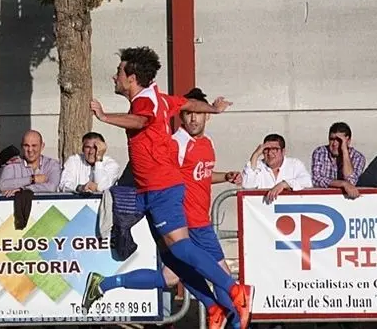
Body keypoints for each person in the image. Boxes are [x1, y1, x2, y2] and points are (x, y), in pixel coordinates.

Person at [82, 47, 253, 329]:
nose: (115, 76)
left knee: (181, 250)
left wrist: (104, 116)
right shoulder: (159, 98)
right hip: (150, 192)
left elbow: (141, 120)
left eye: (119, 72)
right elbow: (187, 103)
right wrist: (212, 108)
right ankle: (214, 306)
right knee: (173, 262)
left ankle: (235, 291)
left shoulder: (145, 103)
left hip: (162, 188)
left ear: (131, 77)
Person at [160, 88, 243, 329]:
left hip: (198, 219)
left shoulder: (207, 143)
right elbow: (164, 177)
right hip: (189, 222)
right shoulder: (177, 142)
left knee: (172, 276)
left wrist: (225, 176)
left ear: (208, 115)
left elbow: (201, 176)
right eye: (188, 113)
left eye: (197, 113)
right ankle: (233, 322)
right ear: (181, 116)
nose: (193, 118)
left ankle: (215, 314)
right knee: (222, 276)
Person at [241, 134, 312, 204]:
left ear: (283, 151)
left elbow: (307, 181)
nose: (269, 153)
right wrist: (255, 155)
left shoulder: (294, 164)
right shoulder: (257, 165)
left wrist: (284, 184)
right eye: (266, 149)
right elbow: (247, 186)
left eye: (274, 149)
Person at [310, 122, 365, 199]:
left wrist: (344, 150)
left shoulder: (358, 157)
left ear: (348, 141)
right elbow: (316, 179)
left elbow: (351, 180)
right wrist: (343, 184)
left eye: (339, 140)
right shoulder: (320, 152)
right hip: (324, 199)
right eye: (332, 139)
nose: (334, 144)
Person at [0, 129, 61, 196]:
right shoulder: (13, 163)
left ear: (42, 146)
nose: (30, 150)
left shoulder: (52, 164)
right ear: (21, 147)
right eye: (26, 145)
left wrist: (23, 190)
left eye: (34, 145)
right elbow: (3, 185)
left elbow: (52, 187)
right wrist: (32, 179)